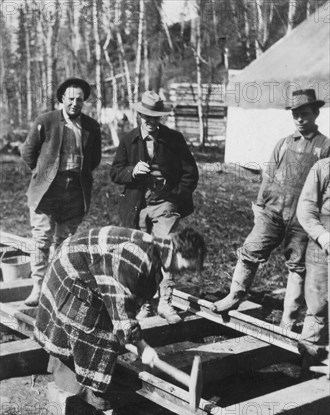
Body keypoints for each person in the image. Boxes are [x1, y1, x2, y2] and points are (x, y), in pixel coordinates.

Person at [34, 225, 206, 415]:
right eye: (186, 267)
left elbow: (128, 300)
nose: (183, 273)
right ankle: (100, 403)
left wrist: (136, 341)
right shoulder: (139, 258)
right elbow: (121, 309)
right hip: (72, 273)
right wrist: (142, 346)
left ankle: (69, 368)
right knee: (97, 334)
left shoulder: (156, 252)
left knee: (107, 330)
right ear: (177, 251)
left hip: (86, 270)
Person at [213, 89, 330, 330]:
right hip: (272, 212)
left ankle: (288, 319)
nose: (299, 118)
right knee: (250, 249)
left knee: (297, 267)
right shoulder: (284, 143)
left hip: (302, 219)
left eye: (304, 113)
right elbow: (268, 176)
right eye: (295, 114)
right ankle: (235, 294)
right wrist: (259, 205)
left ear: (316, 113)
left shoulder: (325, 147)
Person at [110, 90, 199, 324]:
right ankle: (145, 304)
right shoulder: (128, 140)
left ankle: (166, 303)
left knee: (166, 248)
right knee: (142, 255)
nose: (151, 122)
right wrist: (132, 171)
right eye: (147, 117)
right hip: (137, 206)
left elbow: (191, 173)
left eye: (156, 117)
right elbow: (115, 172)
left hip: (165, 205)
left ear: (161, 118)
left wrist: (175, 196)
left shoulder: (174, 139)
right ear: (140, 115)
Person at [21, 77, 102, 307]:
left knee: (65, 242)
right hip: (47, 190)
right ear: (62, 99)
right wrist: (41, 173)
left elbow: (94, 159)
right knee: (41, 239)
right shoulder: (46, 121)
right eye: (71, 99)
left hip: (75, 190)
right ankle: (37, 286)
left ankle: (55, 286)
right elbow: (28, 152)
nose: (75, 103)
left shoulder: (91, 127)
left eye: (80, 99)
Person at [296, 158, 329, 374]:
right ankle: (309, 365)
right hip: (322, 242)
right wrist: (324, 237)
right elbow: (305, 209)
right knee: (318, 305)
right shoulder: (322, 168)